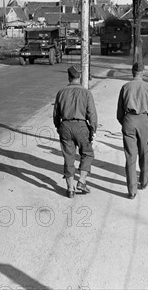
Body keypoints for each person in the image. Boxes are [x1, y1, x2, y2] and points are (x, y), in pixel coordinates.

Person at [116, 62, 148, 199]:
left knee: (130, 156)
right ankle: (143, 180)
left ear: (132, 71)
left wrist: (125, 122)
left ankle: (132, 190)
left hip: (129, 121)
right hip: (144, 122)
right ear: (143, 72)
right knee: (144, 153)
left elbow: (119, 112)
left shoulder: (125, 87)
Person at [53, 65, 98, 198]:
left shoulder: (61, 92)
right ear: (80, 77)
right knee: (88, 153)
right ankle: (82, 181)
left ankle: (70, 189)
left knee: (68, 157)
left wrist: (58, 127)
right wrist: (93, 129)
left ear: (69, 77)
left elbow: (56, 114)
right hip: (81, 126)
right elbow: (92, 114)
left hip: (65, 126)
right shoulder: (86, 93)